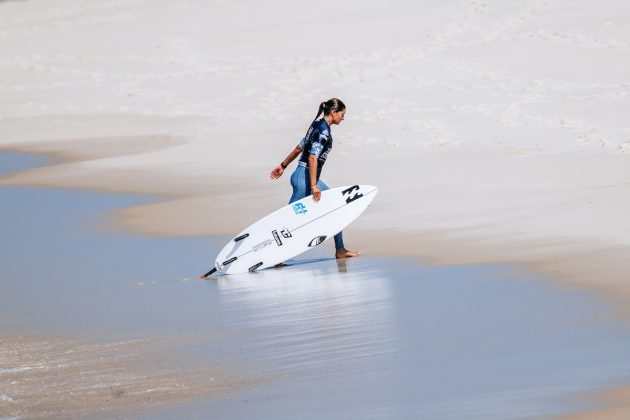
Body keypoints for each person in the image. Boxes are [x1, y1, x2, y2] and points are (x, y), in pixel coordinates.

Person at [270, 98, 360, 259]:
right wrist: (313, 186)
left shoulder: (316, 124)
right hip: (304, 180)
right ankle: (275, 255)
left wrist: (283, 165)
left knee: (336, 206)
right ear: (333, 112)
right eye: (343, 114)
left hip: (303, 176)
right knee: (287, 222)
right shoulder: (324, 132)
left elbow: (300, 147)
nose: (344, 117)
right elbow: (312, 157)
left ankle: (340, 249)